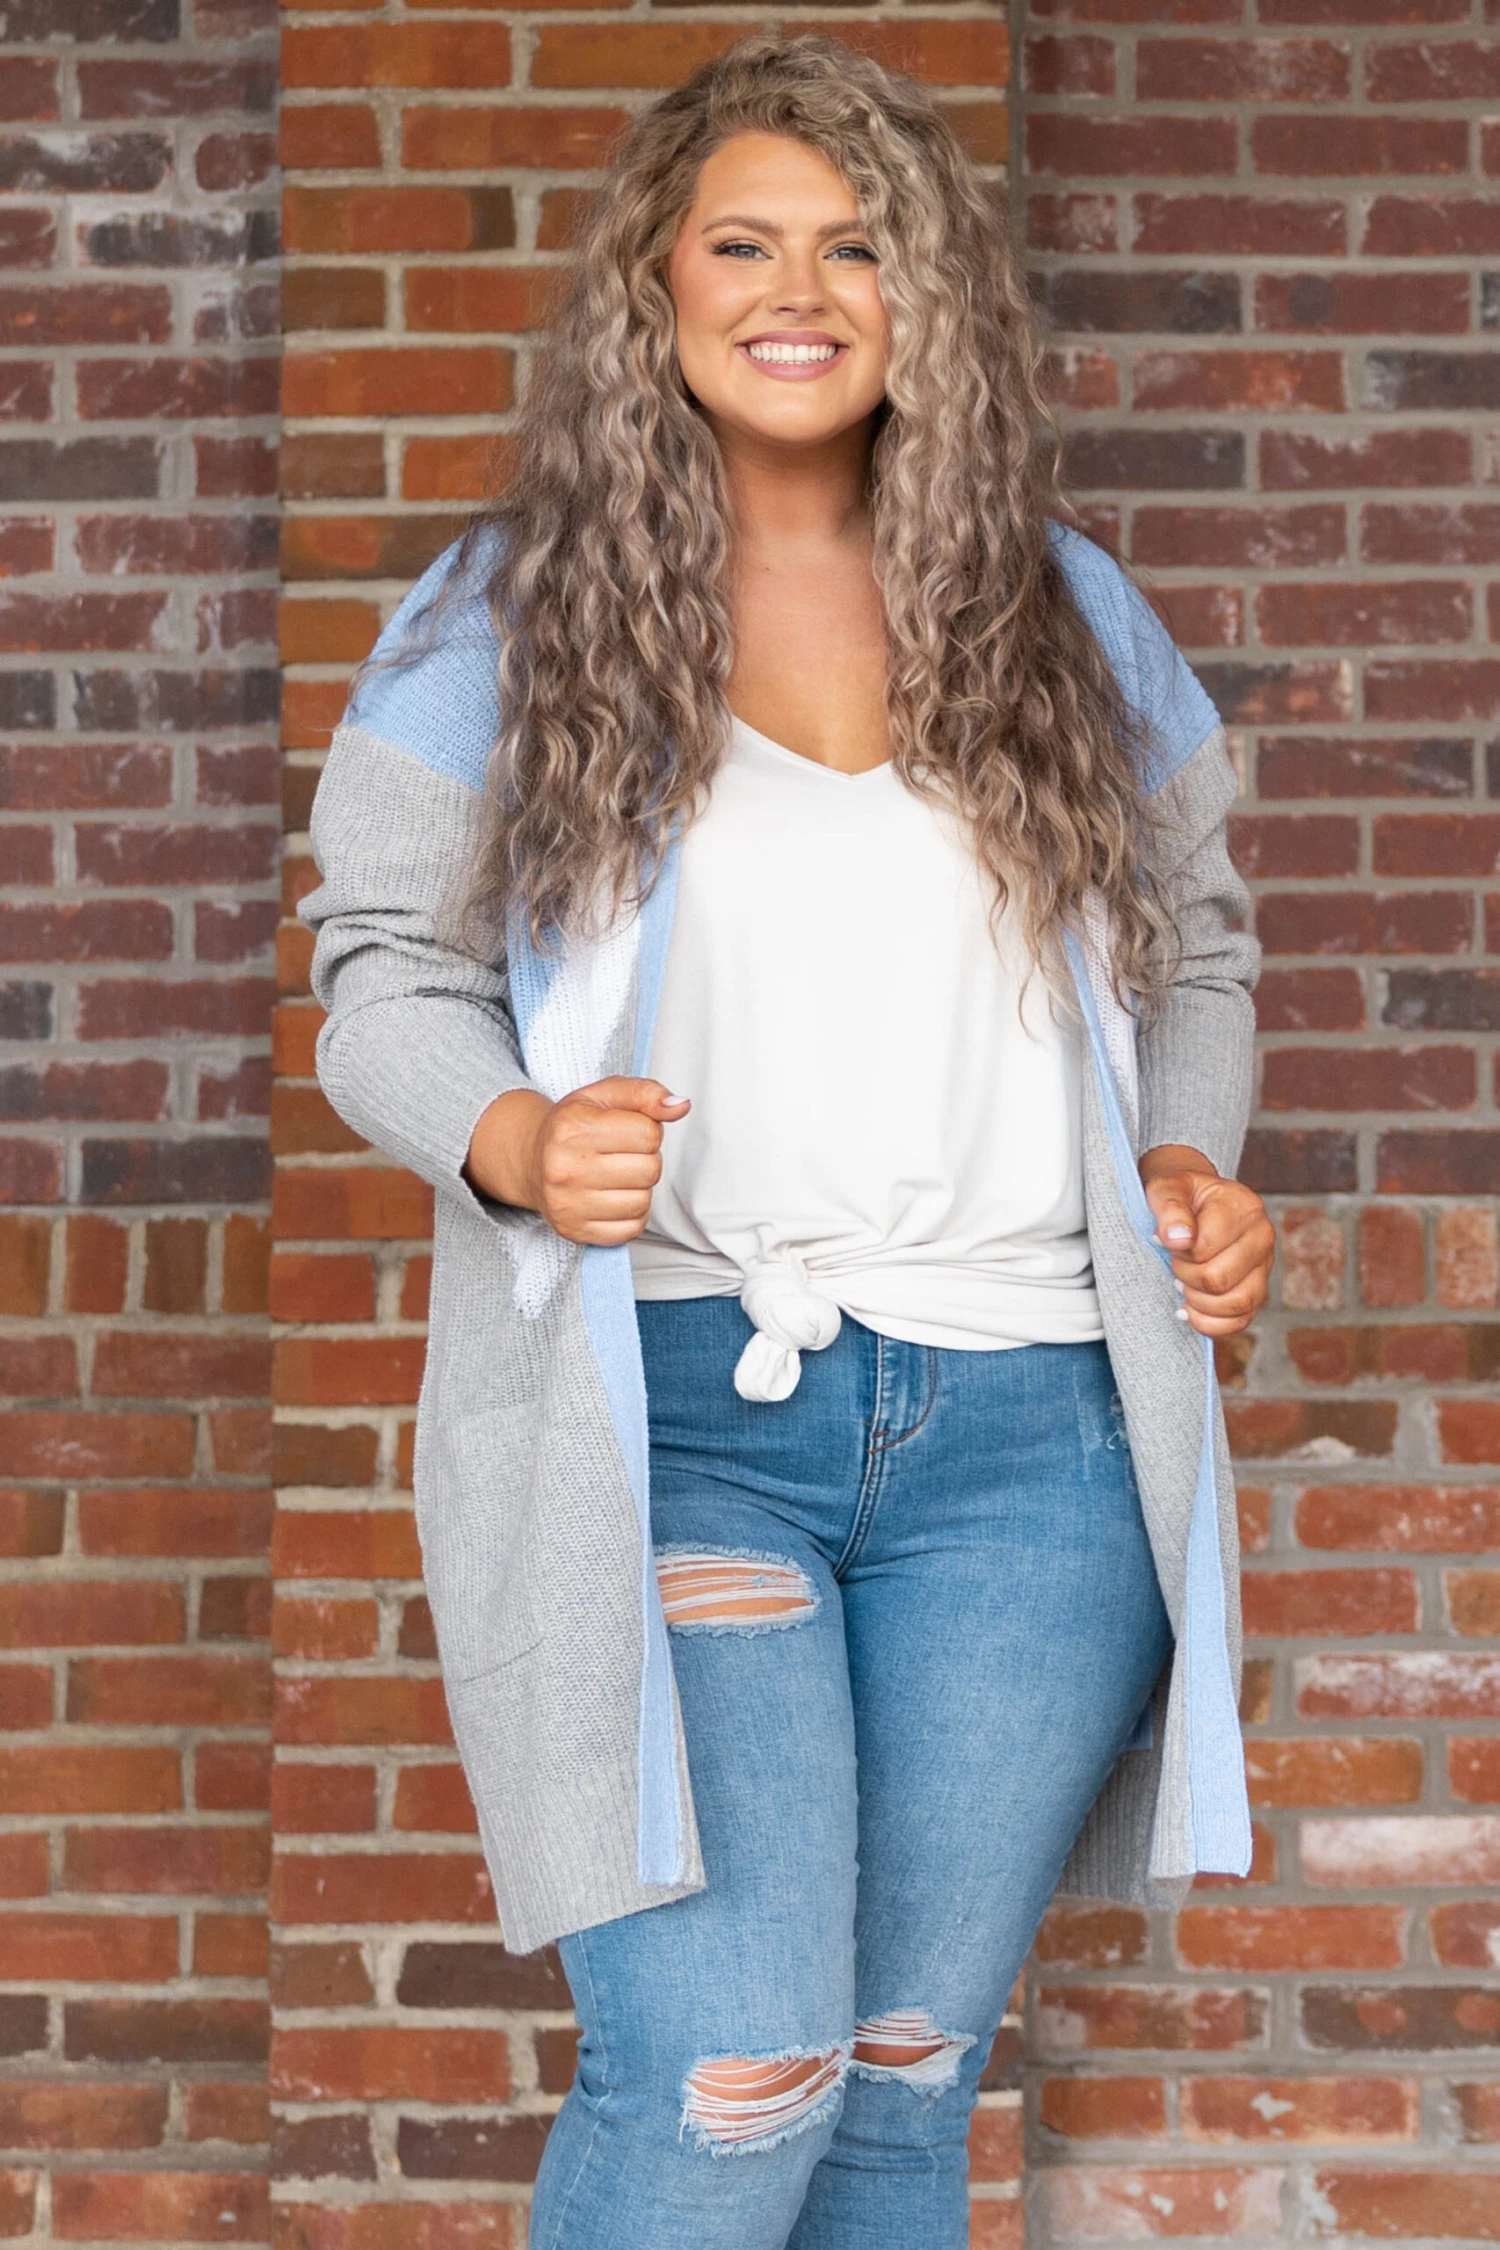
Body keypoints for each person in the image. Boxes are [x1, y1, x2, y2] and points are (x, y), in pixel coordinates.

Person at [300, 30, 1275, 2250]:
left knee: (900, 2099)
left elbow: (1196, 948)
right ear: (657, 284)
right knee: (731, 2079)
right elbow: (380, 969)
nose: (801, 290)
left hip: (1038, 1440)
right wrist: (517, 1135)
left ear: (927, 297)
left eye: (859, 246)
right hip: (674, 1424)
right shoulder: (504, 613)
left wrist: (1185, 1166)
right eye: (744, 244)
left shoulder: (1067, 613)